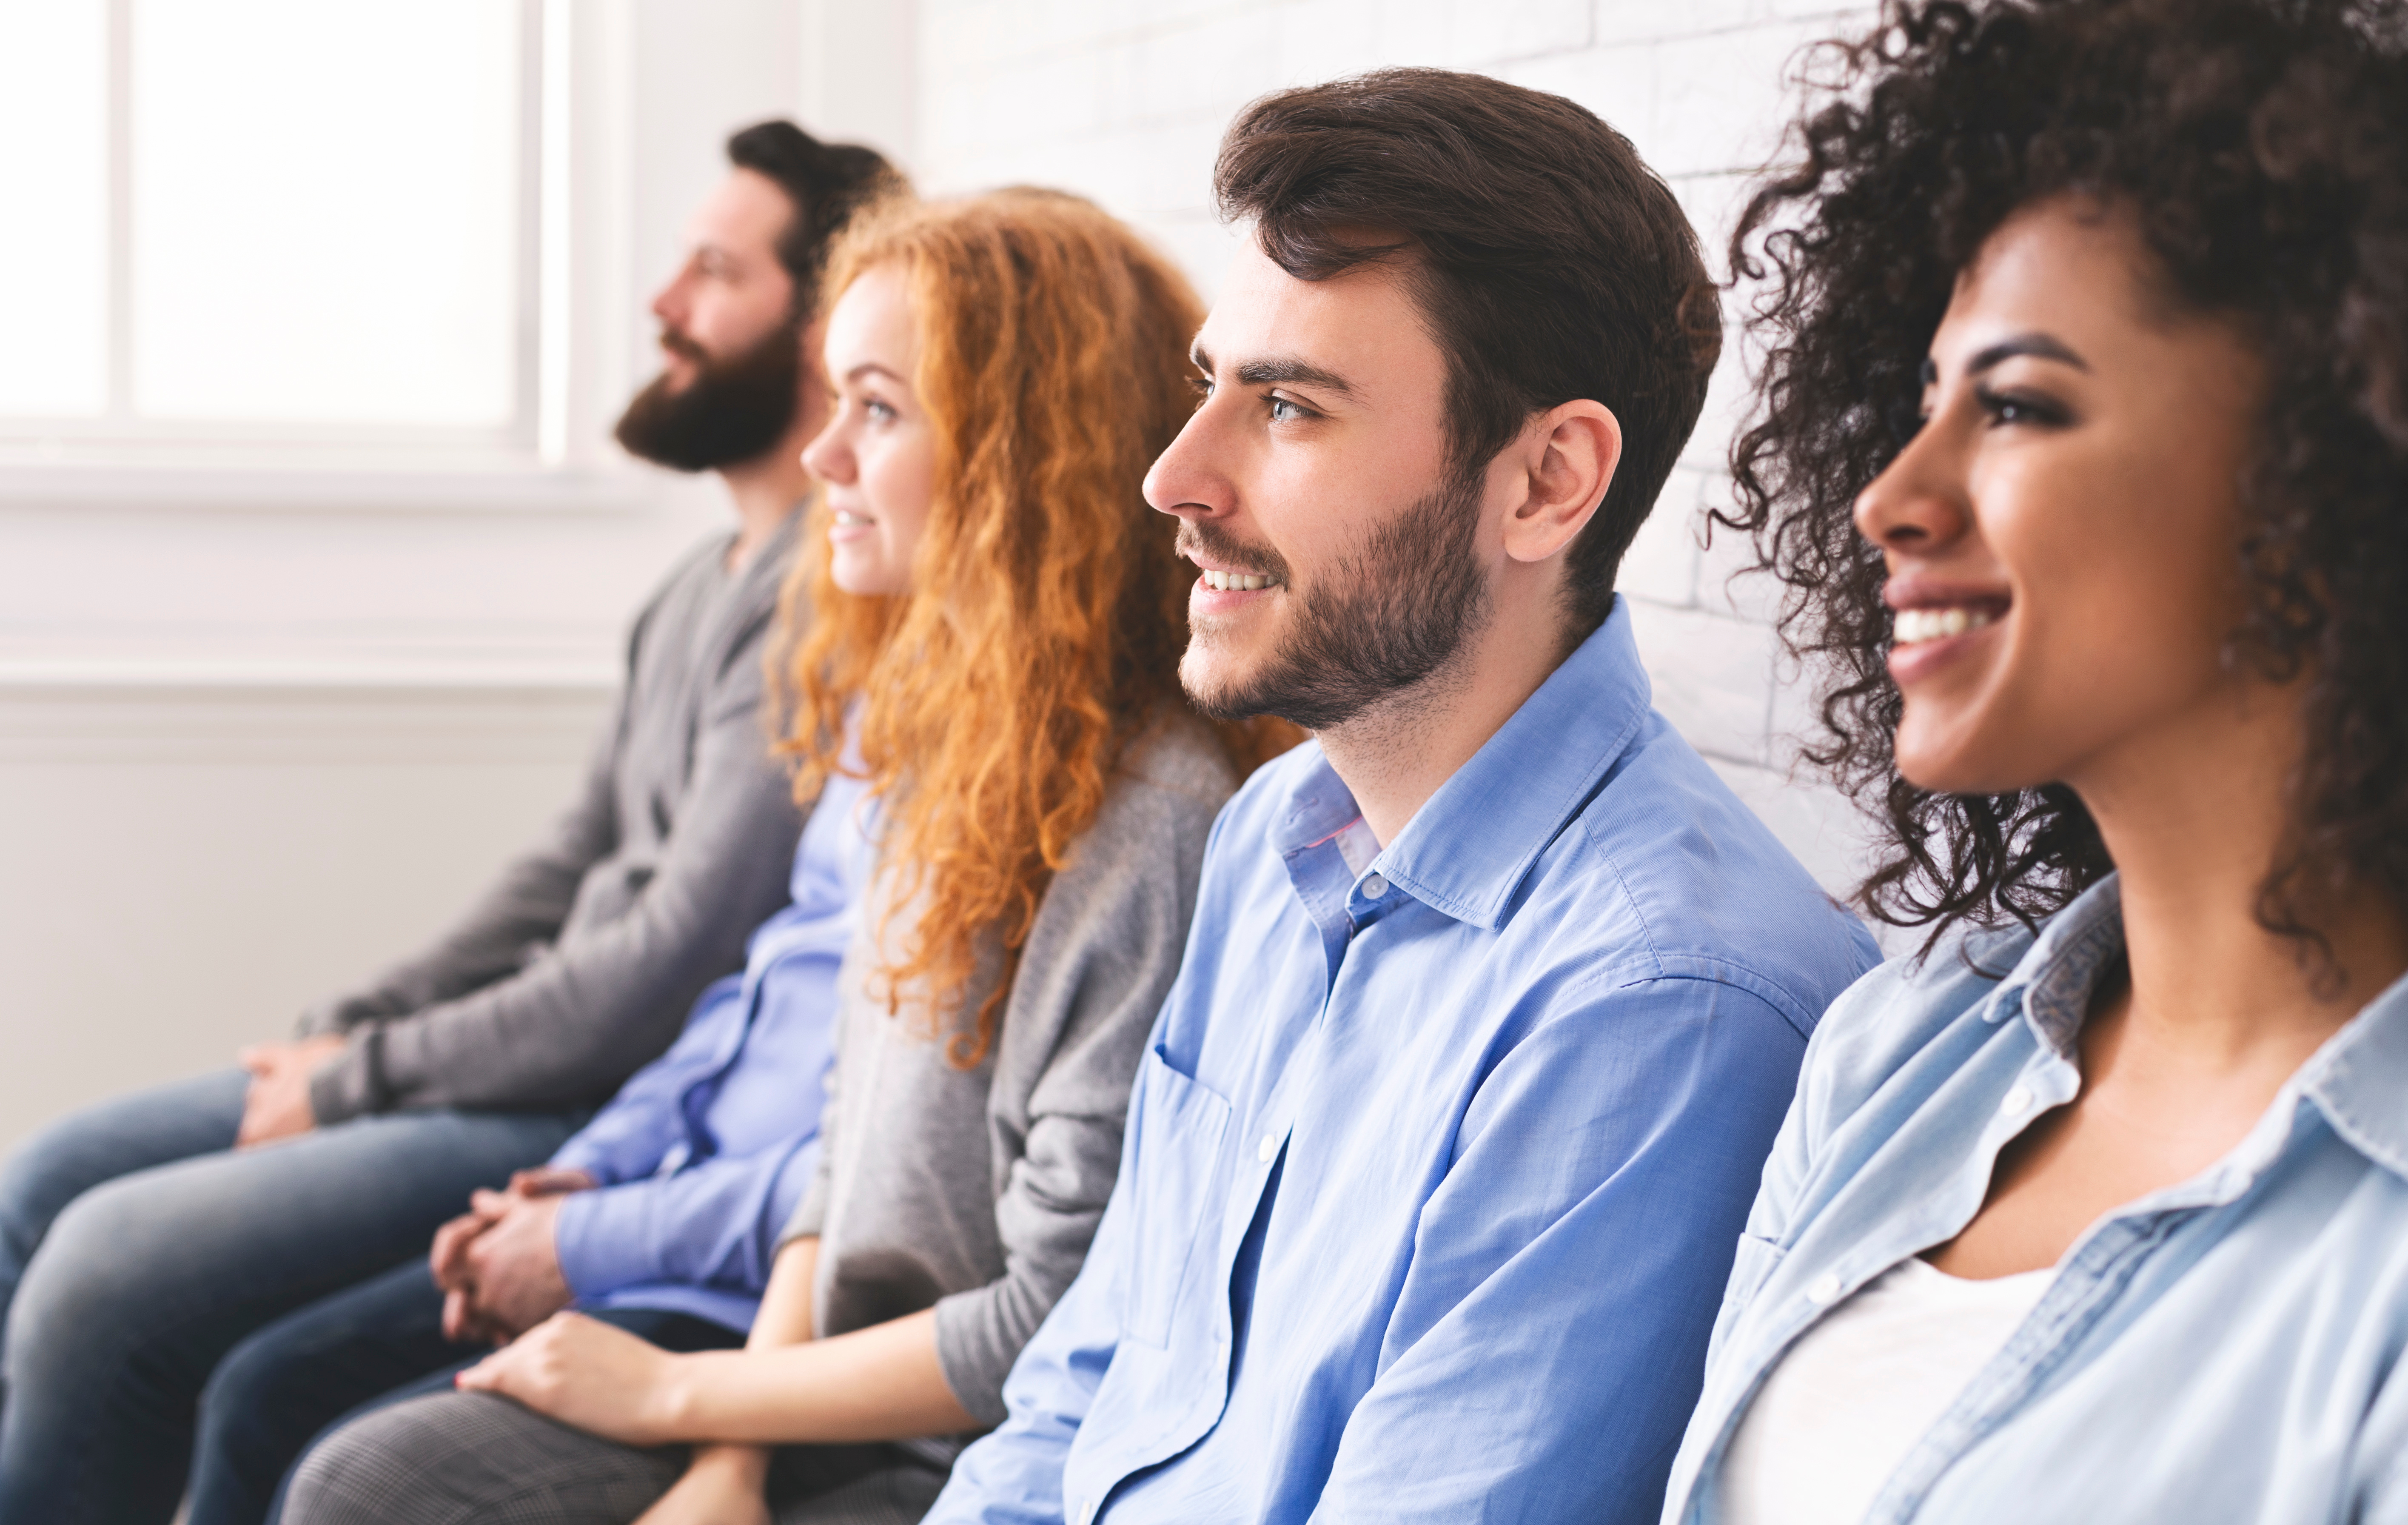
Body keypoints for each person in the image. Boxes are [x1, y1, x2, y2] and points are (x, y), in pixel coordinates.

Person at [921, 69, 1881, 1525]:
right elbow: (1083, 1387)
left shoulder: (1663, 1000)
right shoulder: (1272, 833)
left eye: (1289, 406)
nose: (1175, 477)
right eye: (1207, 387)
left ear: (1547, 483)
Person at [282, 188, 1285, 1525]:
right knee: (354, 1461)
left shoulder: (1147, 821)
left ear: (1013, 461)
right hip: (801, 1398)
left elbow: (1046, 1318)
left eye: (878, 409)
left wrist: (686, 1402)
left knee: (368, 1482)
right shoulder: (939, 756)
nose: (822, 458)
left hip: (945, 1450)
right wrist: (728, 1463)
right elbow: (844, 1156)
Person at [0, 120, 900, 1525]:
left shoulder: (828, 611)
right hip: (514, 1072)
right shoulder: (696, 587)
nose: (665, 304)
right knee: (46, 1179)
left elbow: (665, 962)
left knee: (106, 1274)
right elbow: (568, 865)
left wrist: (364, 1079)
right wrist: (357, 1029)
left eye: (715, 272)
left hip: (580, 1098)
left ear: (816, 325)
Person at [1653, 2, 2408, 1521]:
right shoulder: (1896, 1054)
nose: (1889, 495)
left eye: (2015, 404)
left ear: (2332, 457)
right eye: (1922, 402)